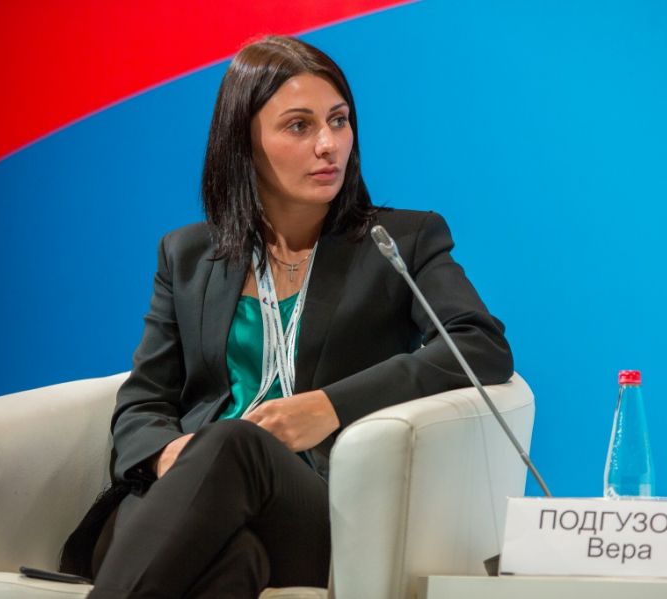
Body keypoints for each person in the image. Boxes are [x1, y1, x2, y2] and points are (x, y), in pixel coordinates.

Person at [78, 35, 513, 598]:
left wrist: (329, 406)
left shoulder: (401, 240)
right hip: (191, 503)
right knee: (235, 560)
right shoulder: (187, 255)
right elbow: (143, 402)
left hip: (313, 508)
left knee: (233, 444)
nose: (328, 145)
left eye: (339, 121)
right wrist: (170, 454)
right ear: (244, 142)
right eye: (300, 126)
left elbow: (479, 345)